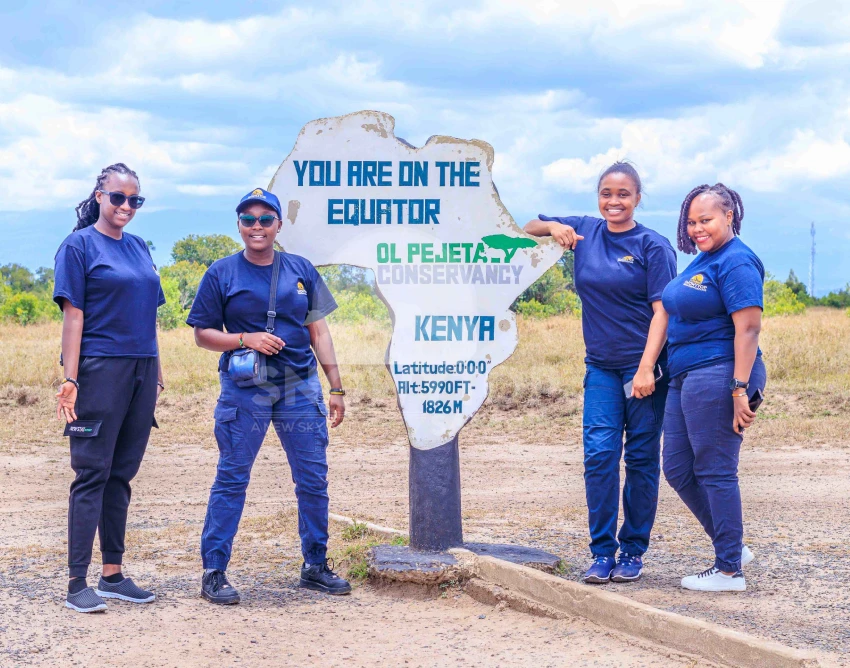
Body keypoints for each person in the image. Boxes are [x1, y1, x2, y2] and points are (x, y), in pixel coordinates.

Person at [188, 187, 350, 604]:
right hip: (245, 392)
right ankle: (214, 572)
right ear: (239, 225)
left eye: (265, 219)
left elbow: (320, 332)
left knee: (312, 480)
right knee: (232, 478)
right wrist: (246, 338)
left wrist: (335, 386)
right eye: (248, 219)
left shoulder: (301, 269)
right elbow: (202, 335)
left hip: (300, 388)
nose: (256, 226)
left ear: (279, 225)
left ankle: (315, 565)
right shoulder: (221, 273)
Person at [524, 162, 678, 584]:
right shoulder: (586, 231)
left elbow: (663, 311)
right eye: (607, 193)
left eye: (623, 194)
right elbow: (528, 224)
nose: (614, 201)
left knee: (642, 459)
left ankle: (632, 551)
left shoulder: (653, 245)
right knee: (599, 457)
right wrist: (554, 226)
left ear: (638, 198)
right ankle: (602, 551)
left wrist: (647, 367)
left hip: (645, 369)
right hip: (601, 369)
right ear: (598, 196)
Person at [54, 163, 164, 613]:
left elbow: (149, 314)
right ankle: (77, 583)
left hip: (143, 370)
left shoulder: (138, 247)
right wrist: (70, 377)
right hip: (100, 372)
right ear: (99, 195)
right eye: (117, 197)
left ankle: (113, 574)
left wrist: (158, 366)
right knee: (92, 473)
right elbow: (73, 316)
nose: (125, 206)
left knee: (122, 474)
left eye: (134, 200)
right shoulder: (78, 246)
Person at [660, 183, 765, 592]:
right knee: (678, 468)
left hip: (720, 372)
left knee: (715, 468)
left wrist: (739, 388)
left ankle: (728, 571)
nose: (697, 228)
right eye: (691, 221)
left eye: (706, 220)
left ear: (729, 217)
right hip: (685, 374)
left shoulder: (737, 261)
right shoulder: (705, 258)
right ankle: (732, 546)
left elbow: (749, 327)